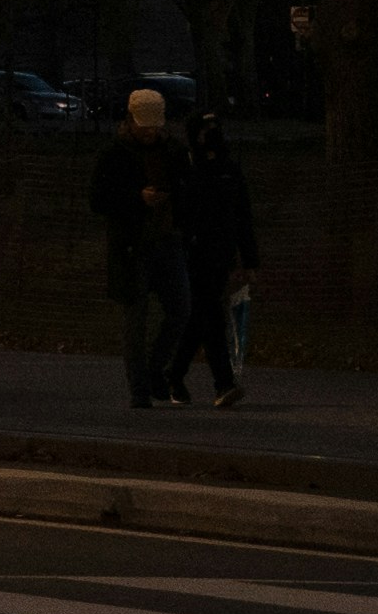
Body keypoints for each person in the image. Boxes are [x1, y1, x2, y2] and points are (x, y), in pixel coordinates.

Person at [83, 85, 191, 408]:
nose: (150, 132)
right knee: (135, 319)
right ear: (130, 122)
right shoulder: (114, 155)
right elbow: (98, 199)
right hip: (133, 246)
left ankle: (156, 368)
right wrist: (137, 199)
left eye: (154, 126)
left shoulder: (172, 151)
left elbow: (187, 188)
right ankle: (139, 388)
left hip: (168, 240)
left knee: (181, 309)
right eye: (144, 126)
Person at [176, 101, 262, 409]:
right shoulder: (187, 168)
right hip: (194, 254)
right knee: (211, 317)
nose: (212, 135)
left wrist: (249, 260)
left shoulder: (228, 169)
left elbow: (242, 216)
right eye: (206, 130)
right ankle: (223, 383)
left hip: (220, 255)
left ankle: (173, 373)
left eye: (215, 130)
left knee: (200, 318)